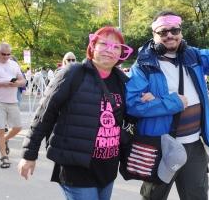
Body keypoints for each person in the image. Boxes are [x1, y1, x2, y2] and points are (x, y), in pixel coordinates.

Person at [126, 11, 209, 200]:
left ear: (181, 32)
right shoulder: (143, 66)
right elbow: (132, 104)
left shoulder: (192, 55)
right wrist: (172, 102)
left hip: (193, 145)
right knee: (153, 197)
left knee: (196, 195)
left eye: (174, 30)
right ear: (154, 35)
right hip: (160, 145)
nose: (169, 35)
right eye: (163, 32)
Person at [18, 26, 133, 200]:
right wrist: (28, 155)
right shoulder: (73, 73)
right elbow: (44, 114)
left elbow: (129, 119)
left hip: (108, 168)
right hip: (76, 167)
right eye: (104, 44)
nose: (110, 50)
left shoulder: (123, 81)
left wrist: (146, 99)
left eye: (116, 47)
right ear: (92, 46)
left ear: (121, 53)